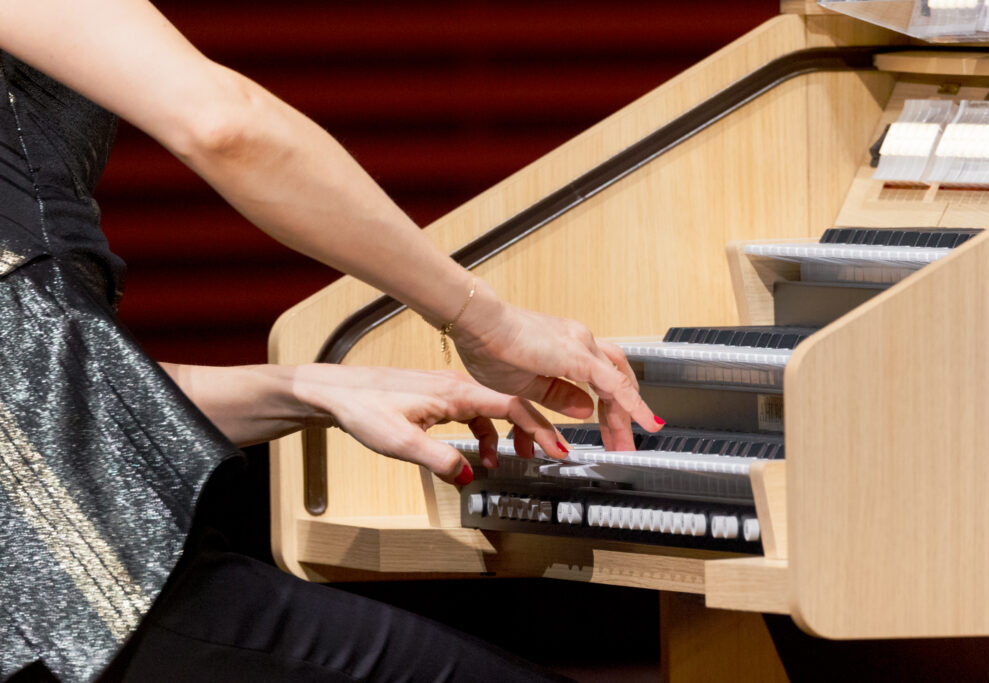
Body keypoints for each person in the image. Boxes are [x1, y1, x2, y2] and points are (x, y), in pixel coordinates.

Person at [0, 1, 663, 681]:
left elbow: (38, 389)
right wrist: (486, 320)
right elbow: (224, 125)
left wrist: (308, 387)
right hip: (67, 607)